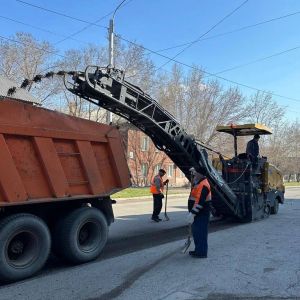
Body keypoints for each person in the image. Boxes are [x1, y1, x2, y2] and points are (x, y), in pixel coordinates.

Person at [186, 168, 212, 258]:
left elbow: (199, 202)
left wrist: (192, 213)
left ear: (200, 174)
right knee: (196, 232)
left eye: (196, 173)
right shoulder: (199, 182)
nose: (194, 174)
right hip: (198, 213)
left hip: (201, 213)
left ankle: (201, 253)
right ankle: (198, 250)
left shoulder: (203, 184)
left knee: (201, 233)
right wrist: (193, 171)